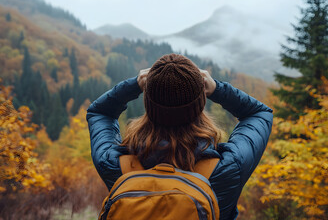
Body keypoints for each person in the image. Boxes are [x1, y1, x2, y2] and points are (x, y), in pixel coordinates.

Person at [87, 53, 273, 220]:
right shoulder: (227, 169)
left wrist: (134, 85)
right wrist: (217, 89)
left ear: (149, 104)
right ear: (199, 103)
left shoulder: (115, 165)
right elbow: (259, 114)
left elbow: (100, 112)